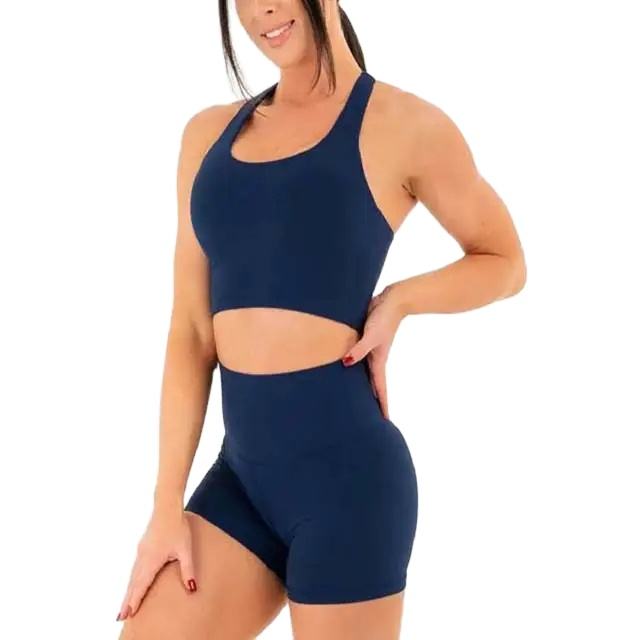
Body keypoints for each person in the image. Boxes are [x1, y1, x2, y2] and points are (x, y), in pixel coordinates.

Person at [116, 1, 526, 638]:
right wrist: (165, 506)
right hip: (241, 485)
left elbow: (504, 261)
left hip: (348, 487)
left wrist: (399, 300)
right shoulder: (207, 136)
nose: (262, 10)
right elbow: (191, 332)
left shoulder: (404, 125)